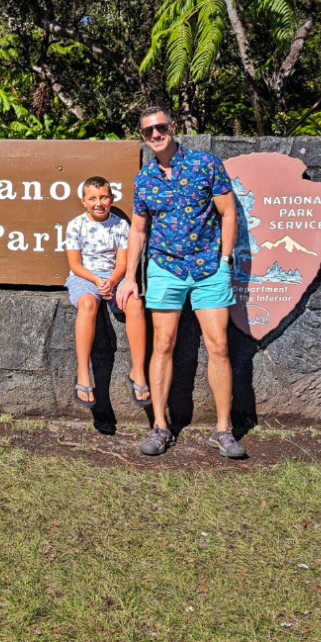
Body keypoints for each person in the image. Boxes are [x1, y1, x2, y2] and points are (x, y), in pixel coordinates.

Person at [115, 106, 246, 458]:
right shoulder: (144, 179)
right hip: (164, 268)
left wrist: (226, 260)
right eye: (148, 131)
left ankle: (223, 430)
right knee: (163, 345)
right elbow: (139, 230)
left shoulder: (206, 164)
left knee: (218, 345)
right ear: (143, 137)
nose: (155, 135)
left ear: (173, 127)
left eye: (160, 127)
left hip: (208, 267)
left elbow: (228, 212)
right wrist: (130, 277)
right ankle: (160, 427)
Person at [64, 176, 149, 410]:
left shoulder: (121, 225)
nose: (98, 203)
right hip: (85, 277)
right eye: (92, 198)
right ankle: (83, 374)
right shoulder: (75, 225)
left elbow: (122, 262)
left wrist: (111, 281)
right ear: (83, 201)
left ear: (111, 199)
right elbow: (75, 264)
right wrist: (97, 280)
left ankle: (138, 372)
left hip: (114, 276)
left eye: (103, 197)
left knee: (135, 305)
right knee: (88, 304)